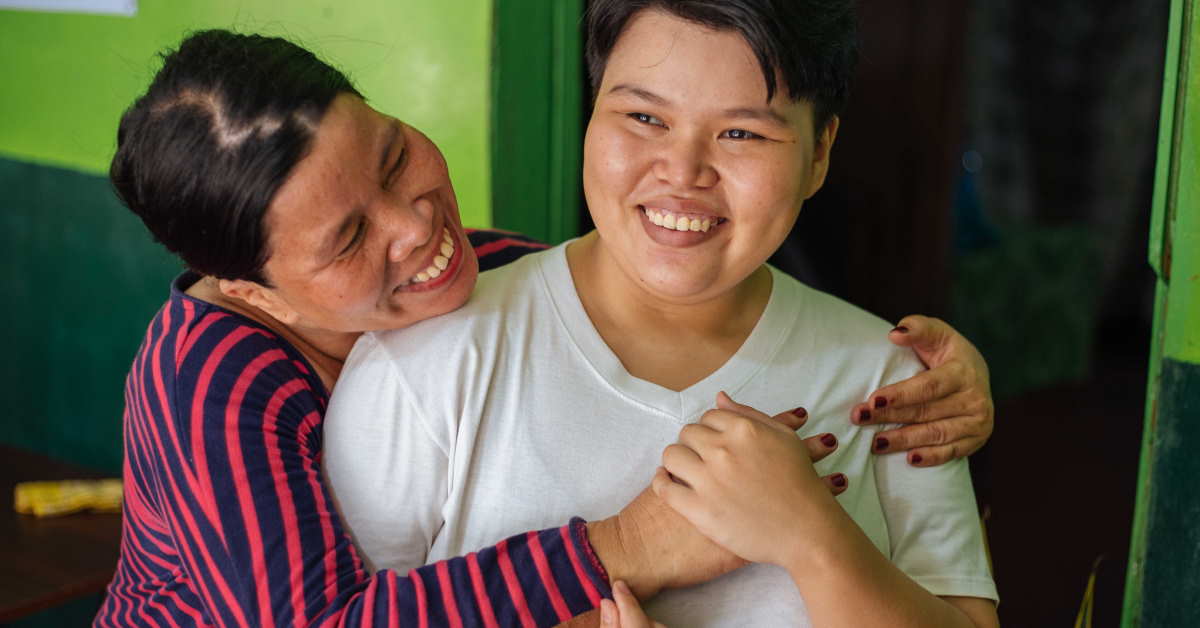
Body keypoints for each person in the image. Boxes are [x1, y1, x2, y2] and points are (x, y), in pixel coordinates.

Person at [98, 25, 992, 628]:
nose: (417, 227)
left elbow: (615, 280)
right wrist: (634, 544)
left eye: (392, 154)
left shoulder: (476, 273)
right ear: (258, 292)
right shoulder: (208, 380)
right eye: (348, 238)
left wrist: (947, 375)